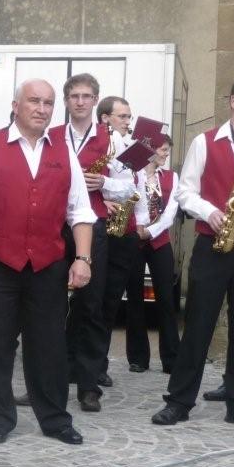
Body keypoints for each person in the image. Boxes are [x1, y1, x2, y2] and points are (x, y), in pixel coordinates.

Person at [0, 79, 95, 445]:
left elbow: (80, 211)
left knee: (48, 344)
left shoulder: (63, 151)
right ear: (16, 106)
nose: (42, 108)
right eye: (34, 101)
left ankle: (55, 419)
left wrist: (82, 257)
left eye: (48, 103)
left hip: (47, 263)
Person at [152, 74, 234, 431]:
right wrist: (210, 211)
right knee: (198, 324)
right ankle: (179, 401)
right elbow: (184, 192)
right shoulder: (205, 142)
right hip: (213, 243)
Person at [54, 74, 135, 412]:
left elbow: (130, 188)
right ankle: (48, 382)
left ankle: (89, 387)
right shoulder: (51, 136)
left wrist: (102, 182)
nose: (81, 101)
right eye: (74, 96)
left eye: (87, 96)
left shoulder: (115, 141)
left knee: (91, 308)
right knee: (48, 308)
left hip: (94, 227)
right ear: (67, 100)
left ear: (95, 100)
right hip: (54, 227)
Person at [90, 95, 150, 411]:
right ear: (105, 119)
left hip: (125, 233)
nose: (127, 121)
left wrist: (142, 223)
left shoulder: (133, 149)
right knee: (91, 301)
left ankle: (98, 364)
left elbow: (136, 188)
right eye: (122, 116)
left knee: (111, 302)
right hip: (101, 229)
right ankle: (82, 362)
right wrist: (106, 195)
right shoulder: (101, 146)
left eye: (129, 115)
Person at [125, 136, 179, 373]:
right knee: (134, 298)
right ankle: (138, 358)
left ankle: (171, 359)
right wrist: (137, 229)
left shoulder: (171, 178)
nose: (166, 154)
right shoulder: (132, 175)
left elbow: (170, 214)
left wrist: (149, 231)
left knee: (166, 299)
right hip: (133, 240)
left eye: (168, 150)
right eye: (163, 150)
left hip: (159, 240)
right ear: (150, 150)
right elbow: (128, 203)